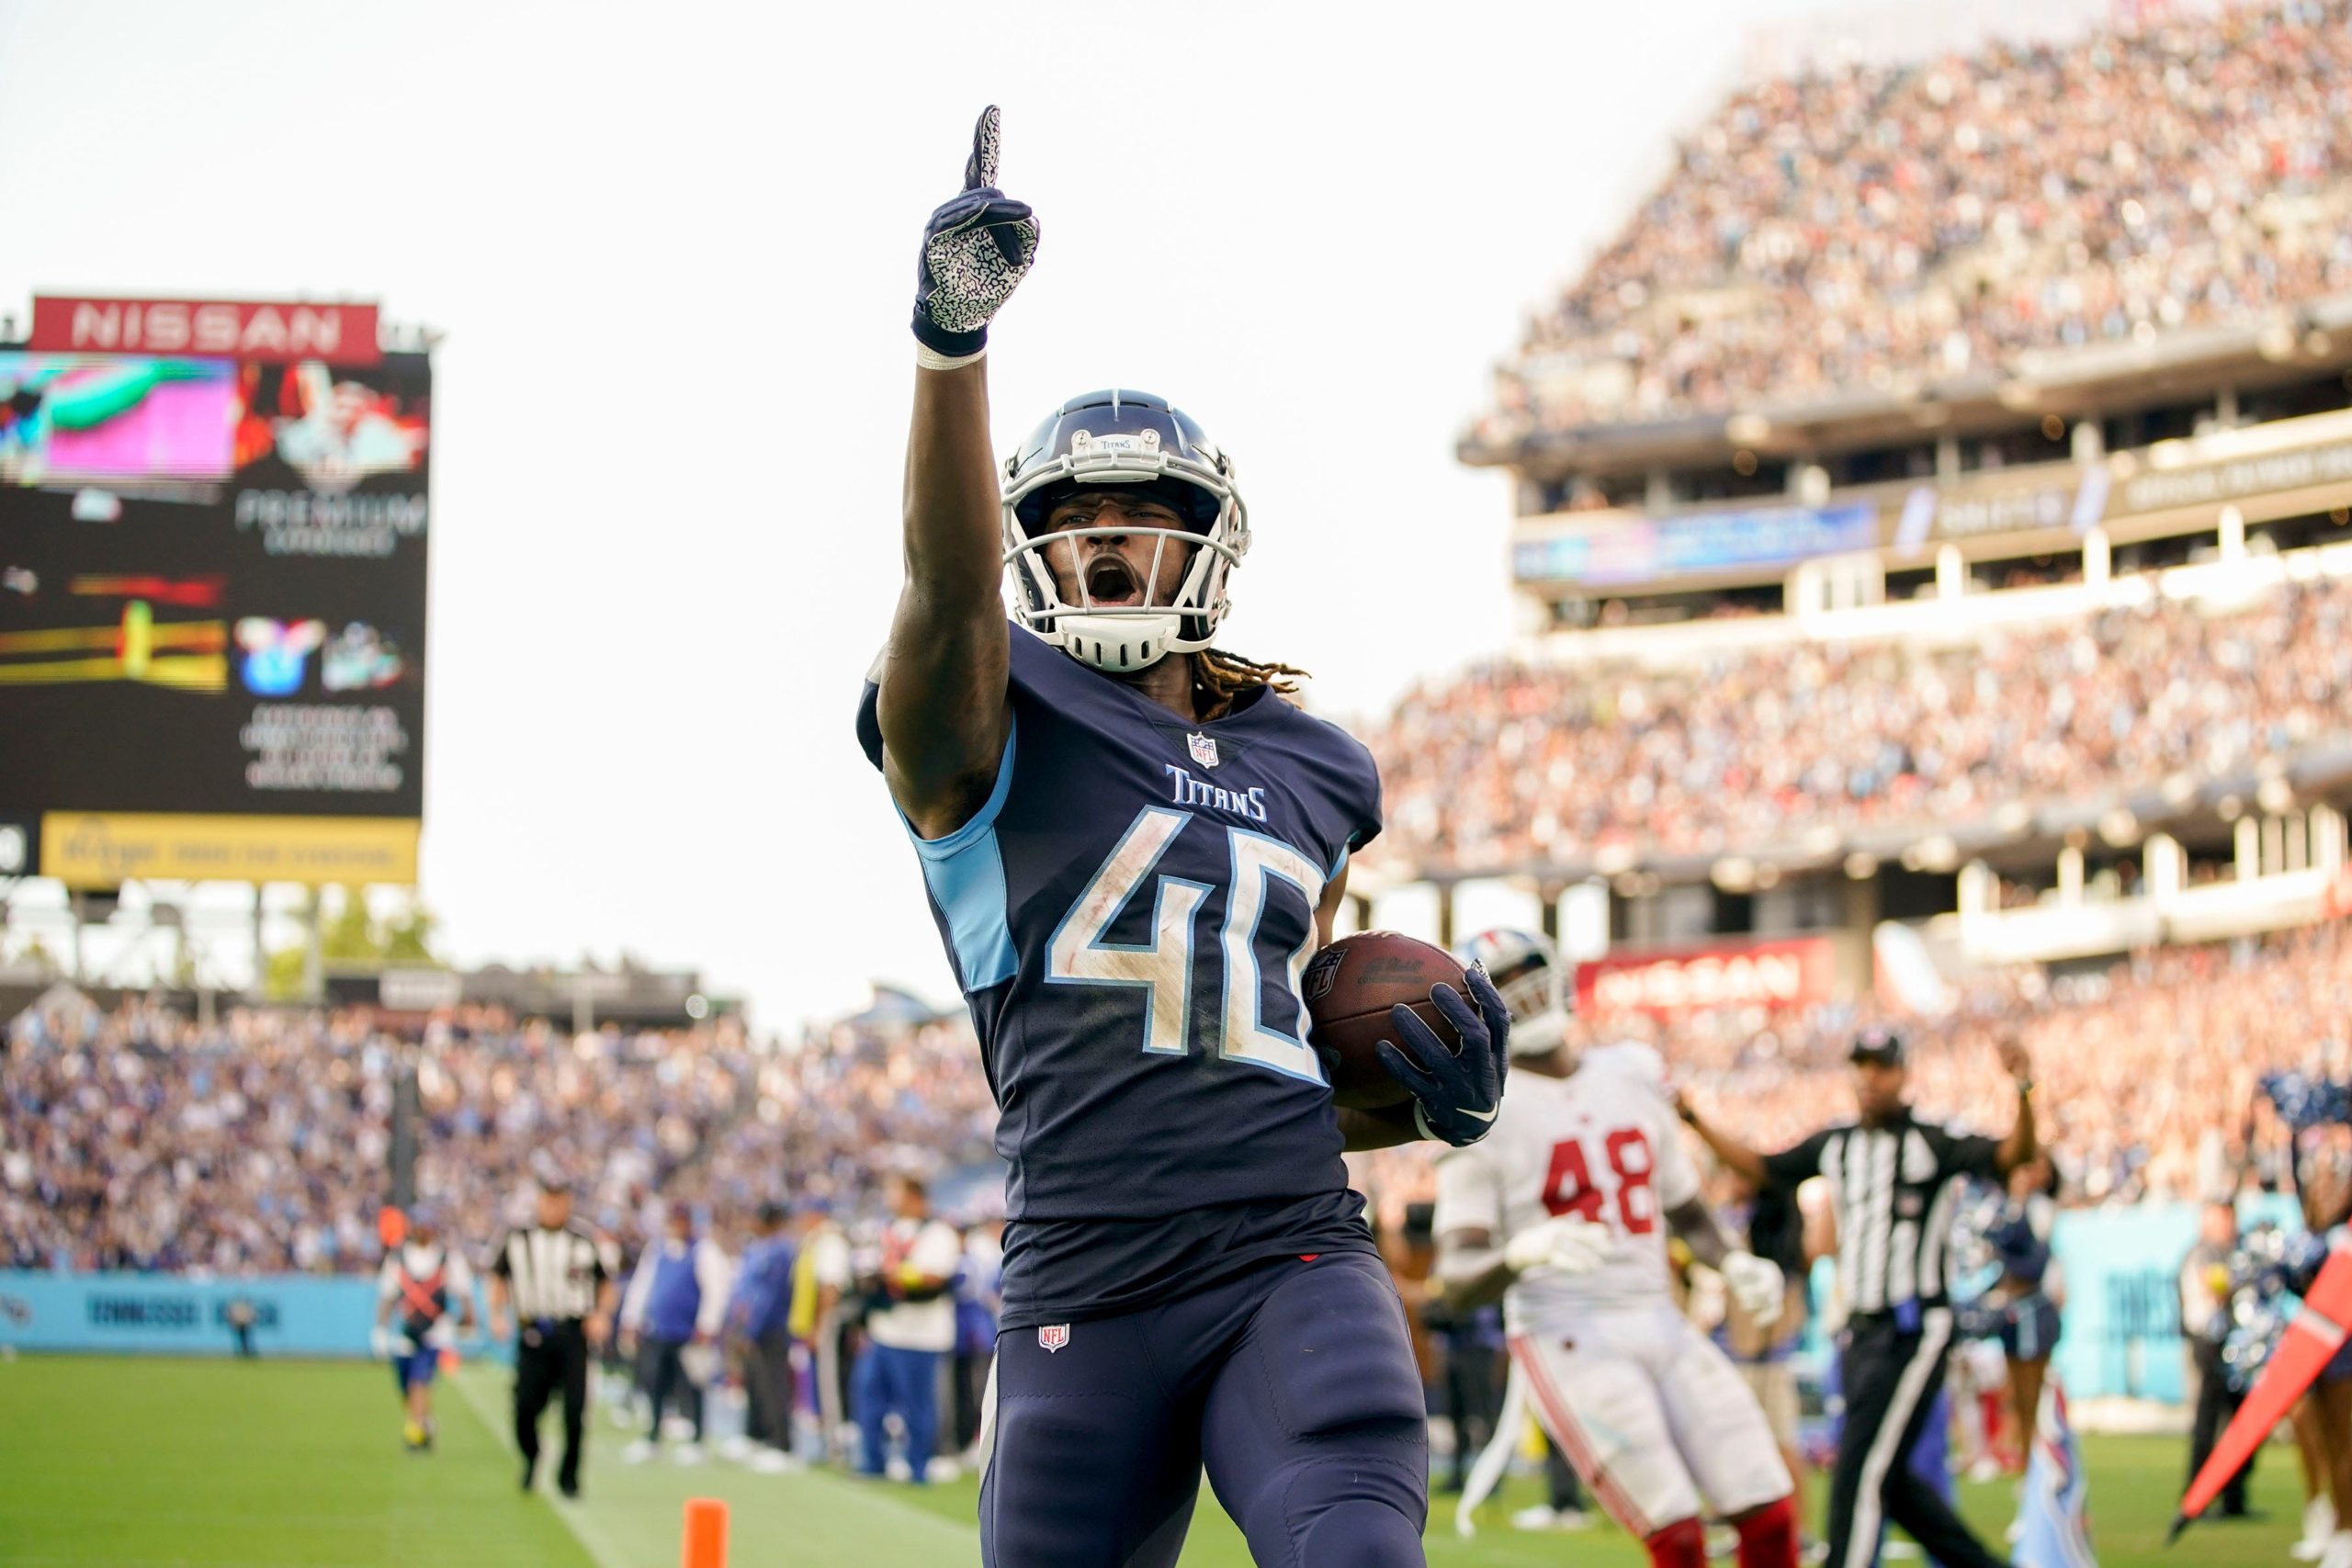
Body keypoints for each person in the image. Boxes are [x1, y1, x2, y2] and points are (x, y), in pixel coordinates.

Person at [854, 107, 1510, 1568]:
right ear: (1025, 536)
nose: (1102, 541)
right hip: (1084, 1273)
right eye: (1072, 515)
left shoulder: (1314, 764)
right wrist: (950, 351)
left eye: (1141, 515)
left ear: (1209, 539)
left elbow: (1267, 1049)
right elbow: (945, 585)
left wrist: (1432, 1092)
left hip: (1288, 1250)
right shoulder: (982, 708)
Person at [1434, 928, 1798, 1568]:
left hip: (1661, 1314)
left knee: (1769, 1512)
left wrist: (1733, 1259)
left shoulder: (1630, 1070)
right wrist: (1520, 1252)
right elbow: (1456, 1277)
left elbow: (1686, 1206)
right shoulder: (1480, 1112)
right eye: (1502, 983)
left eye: (1529, 974)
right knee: (1678, 1536)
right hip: (1566, 1330)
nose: (1523, 993)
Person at [1681, 1025, 2037, 1568]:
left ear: (1902, 1074)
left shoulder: (1931, 1142)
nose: (1869, 1078)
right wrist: (1696, 1121)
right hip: (1861, 1332)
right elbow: (1760, 1165)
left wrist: (2024, 1091)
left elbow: (2013, 1155)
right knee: (1888, 1478)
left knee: (1858, 1468)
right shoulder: (1838, 1144)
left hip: (1914, 1327)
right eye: (1861, 1066)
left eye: (1881, 1067)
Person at [489, 1185, 619, 1499]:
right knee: (525, 1407)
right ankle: (531, 1455)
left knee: (575, 1410)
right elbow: (497, 1276)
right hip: (533, 1332)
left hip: (573, 1334)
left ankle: (569, 1477)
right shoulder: (517, 1238)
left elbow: (607, 1283)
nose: (552, 1208)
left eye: (559, 1201)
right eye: (547, 1201)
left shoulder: (585, 1239)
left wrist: (601, 1314)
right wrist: (496, 1313)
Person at [856, 1174, 965, 1483]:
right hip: (884, 1330)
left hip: (921, 1336)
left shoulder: (938, 1232)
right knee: (870, 1398)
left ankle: (919, 1466)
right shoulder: (887, 1228)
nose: (889, 1197)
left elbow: (934, 1277)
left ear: (915, 1195)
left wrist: (893, 1275)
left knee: (918, 1406)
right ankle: (872, 1463)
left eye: (895, 1190)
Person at [619, 1202, 732, 1465]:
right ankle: (652, 1437)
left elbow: (715, 1290)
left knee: (693, 1384)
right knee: (656, 1382)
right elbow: (642, 1285)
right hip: (660, 1328)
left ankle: (696, 1440)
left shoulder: (703, 1250)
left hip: (690, 1332)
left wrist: (707, 1325)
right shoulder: (657, 1249)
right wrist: (631, 1318)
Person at [372, 1209, 474, 1452]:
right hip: (407, 1331)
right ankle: (424, 1422)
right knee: (406, 1385)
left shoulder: (448, 1258)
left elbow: (463, 1293)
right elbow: (387, 1296)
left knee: (420, 1380)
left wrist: (467, 1320)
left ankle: (414, 1435)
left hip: (435, 1330)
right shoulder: (397, 1257)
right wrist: (381, 1329)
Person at [726, 1201, 801, 1472]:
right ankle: (756, 1435)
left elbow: (770, 1295)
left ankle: (782, 1444)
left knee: (774, 1385)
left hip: (771, 1327)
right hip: (750, 1326)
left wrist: (753, 1327)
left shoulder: (781, 1250)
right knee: (755, 1382)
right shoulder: (758, 1247)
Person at [787, 1198, 854, 1463]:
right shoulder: (815, 1241)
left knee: (829, 1384)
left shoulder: (830, 1242)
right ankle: (828, 1441)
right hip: (816, 1322)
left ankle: (836, 1445)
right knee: (820, 1384)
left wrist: (818, 1326)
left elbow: (830, 1288)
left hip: (829, 1322)